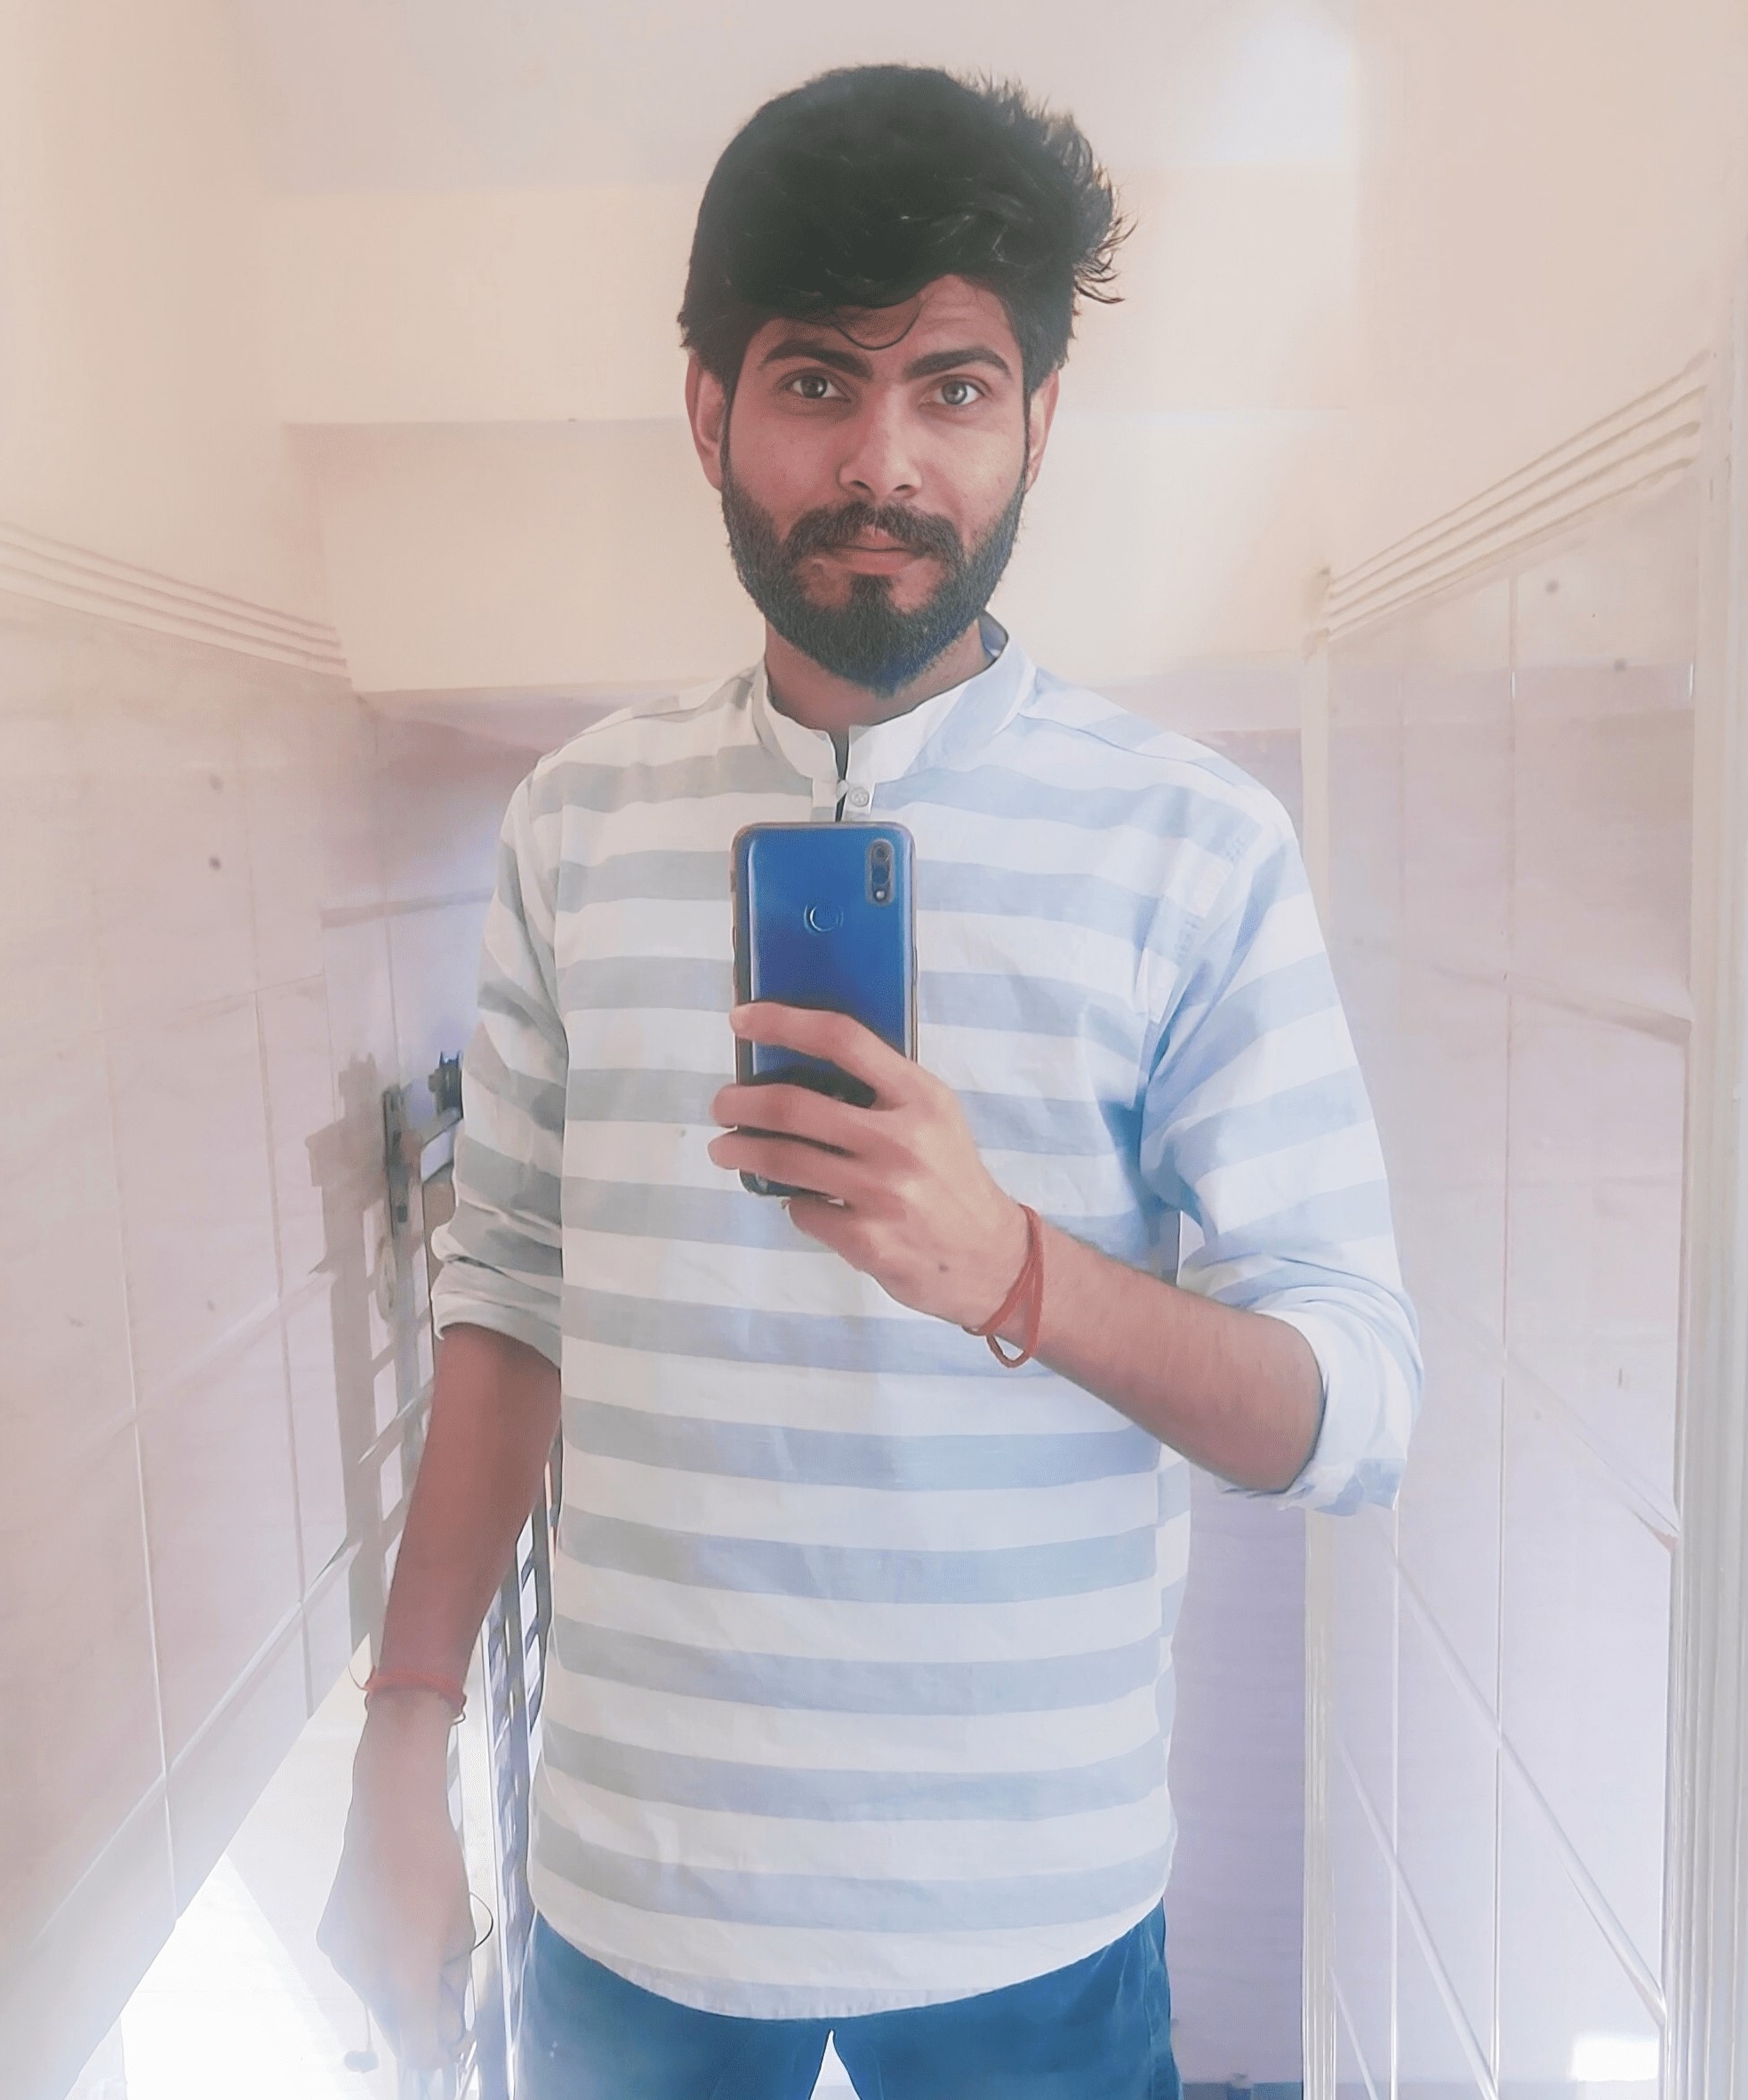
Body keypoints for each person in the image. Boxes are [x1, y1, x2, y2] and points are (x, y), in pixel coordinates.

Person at [319, 63, 1420, 2098]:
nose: (884, 461)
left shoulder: (1193, 847)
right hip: (634, 1892)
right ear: (708, 412)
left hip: (1032, 1904)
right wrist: (404, 1735)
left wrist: (1018, 1269)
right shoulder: (575, 822)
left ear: (1038, 421)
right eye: (817, 381)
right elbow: (508, 1294)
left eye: (954, 387)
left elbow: (1354, 1408)